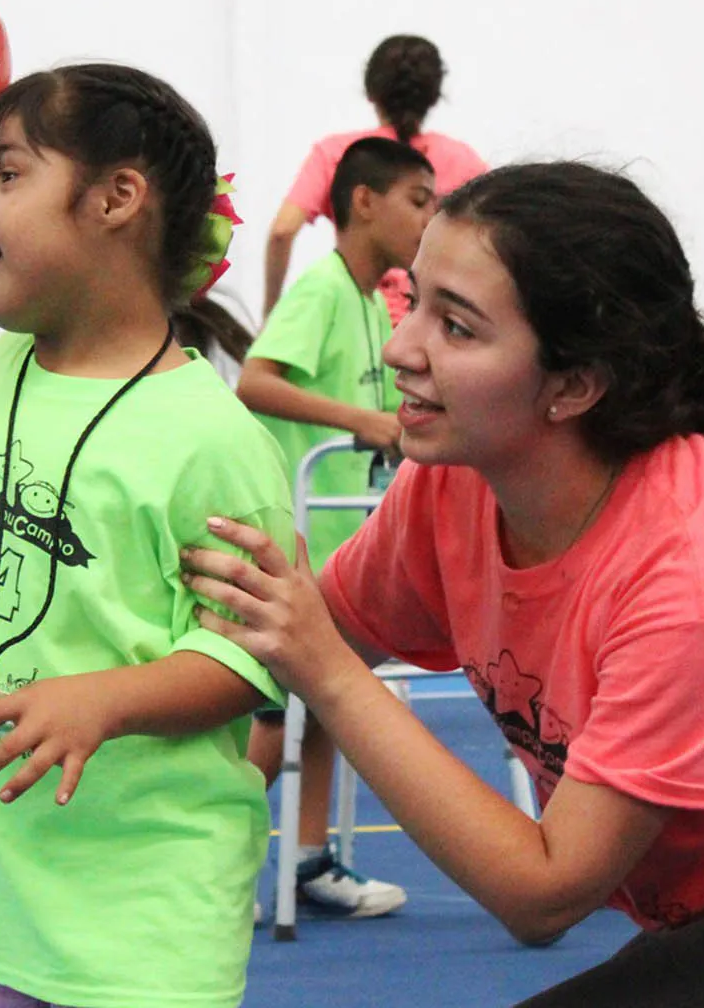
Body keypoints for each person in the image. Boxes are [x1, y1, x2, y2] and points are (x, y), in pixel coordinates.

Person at [185, 162, 704, 1007]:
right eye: (416, 303)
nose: (403, 348)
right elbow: (278, 644)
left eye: (458, 327)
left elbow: (542, 895)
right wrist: (95, 701)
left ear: (575, 385)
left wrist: (327, 674)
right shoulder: (455, 484)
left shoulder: (700, 566)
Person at [0, 62, 294, 1008]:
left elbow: (254, 655)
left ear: (115, 199)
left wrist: (111, 699)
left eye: (7, 174)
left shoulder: (212, 439)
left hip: (140, 920)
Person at [235, 136, 436, 918]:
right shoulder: (321, 288)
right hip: (296, 530)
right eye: (417, 201)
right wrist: (361, 419)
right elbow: (256, 380)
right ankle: (218, 861)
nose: (427, 218)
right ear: (363, 203)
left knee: (319, 700)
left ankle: (311, 857)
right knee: (271, 712)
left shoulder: (372, 295)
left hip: (347, 535)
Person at [264, 34, 487, 324]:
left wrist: (270, 310)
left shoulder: (340, 153)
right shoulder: (464, 160)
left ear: (371, 91)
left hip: (354, 317)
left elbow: (282, 231)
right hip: (429, 321)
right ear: (432, 96)